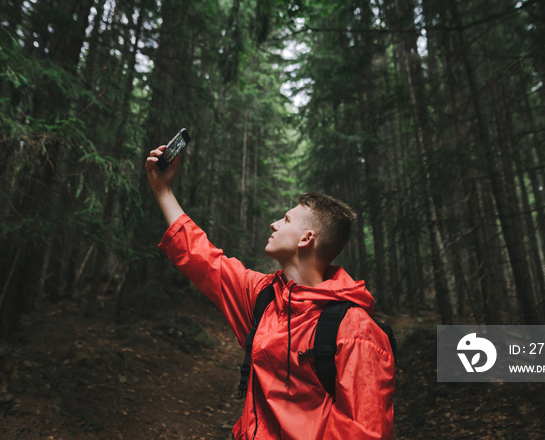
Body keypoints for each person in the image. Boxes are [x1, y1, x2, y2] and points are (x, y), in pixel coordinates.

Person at [146, 143, 395, 440]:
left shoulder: (355, 329)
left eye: (287, 219)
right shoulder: (263, 297)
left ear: (307, 238)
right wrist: (163, 190)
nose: (274, 223)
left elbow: (364, 431)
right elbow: (204, 259)